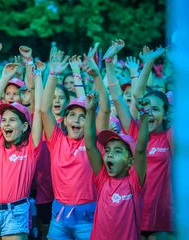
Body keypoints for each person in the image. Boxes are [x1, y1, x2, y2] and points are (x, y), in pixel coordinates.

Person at [105, 40, 174, 239]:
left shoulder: (169, 137)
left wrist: (173, 65)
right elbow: (119, 97)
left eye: (156, 109)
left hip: (160, 219)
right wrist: (109, 61)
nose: (150, 113)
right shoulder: (134, 131)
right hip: (131, 213)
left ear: (165, 114)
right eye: (147, 107)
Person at [41, 50, 110, 239]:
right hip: (59, 218)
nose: (77, 120)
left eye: (83, 116)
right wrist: (53, 75)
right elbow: (44, 110)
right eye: (72, 115)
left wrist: (96, 76)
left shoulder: (95, 141)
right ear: (64, 120)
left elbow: (104, 109)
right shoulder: (56, 141)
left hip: (87, 219)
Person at [0, 63, 43, 239]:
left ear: (25, 126)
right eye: (4, 120)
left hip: (16, 212)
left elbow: (39, 110)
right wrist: (4, 77)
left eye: (12, 120)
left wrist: (39, 78)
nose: (6, 124)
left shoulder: (31, 148)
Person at [84, 90, 149, 240]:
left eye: (118, 151)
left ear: (130, 162)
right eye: (107, 150)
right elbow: (90, 146)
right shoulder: (102, 179)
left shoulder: (134, 183)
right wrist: (89, 111)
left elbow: (140, 150)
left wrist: (144, 115)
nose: (110, 154)